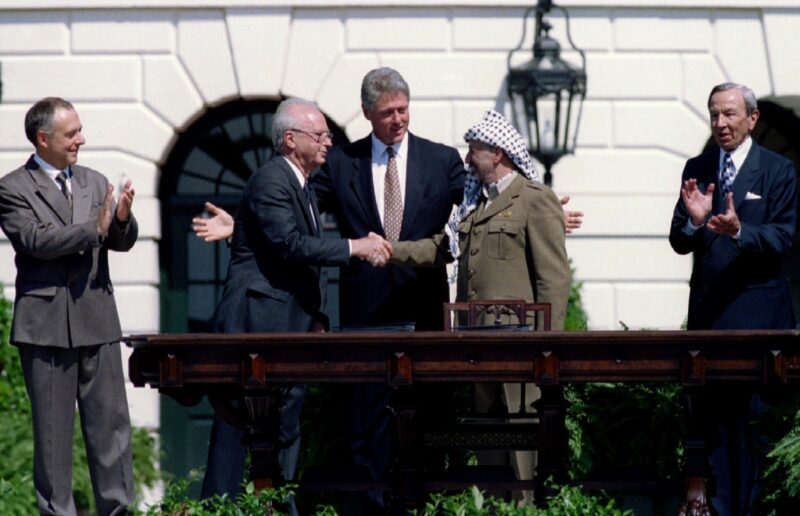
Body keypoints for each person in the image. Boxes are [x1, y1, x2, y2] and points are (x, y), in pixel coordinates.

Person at [199, 98, 391, 508]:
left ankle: (276, 504)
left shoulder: (301, 185)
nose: (328, 142)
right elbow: (290, 246)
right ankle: (220, 508)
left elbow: (299, 265)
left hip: (288, 327)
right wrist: (355, 247)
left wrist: (317, 316)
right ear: (290, 139)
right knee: (237, 431)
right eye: (320, 135)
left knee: (284, 426)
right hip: (255, 324)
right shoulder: (271, 180)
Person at [385, 109, 571, 503]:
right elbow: (442, 248)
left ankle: (528, 509)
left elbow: (553, 279)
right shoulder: (475, 205)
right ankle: (495, 508)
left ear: (497, 153)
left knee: (523, 437)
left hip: (520, 348)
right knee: (488, 437)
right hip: (476, 345)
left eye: (474, 150)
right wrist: (389, 250)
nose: (468, 159)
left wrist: (546, 346)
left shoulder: (533, 200)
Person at [0, 97, 138, 516]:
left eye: (80, 129)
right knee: (53, 439)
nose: (82, 139)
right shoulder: (12, 188)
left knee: (111, 432)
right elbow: (36, 241)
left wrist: (120, 221)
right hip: (45, 327)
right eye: (72, 133)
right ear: (44, 139)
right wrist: (91, 229)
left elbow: (120, 240)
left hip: (97, 319)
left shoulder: (95, 182)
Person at [669, 82, 797, 515]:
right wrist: (695, 222)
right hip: (710, 320)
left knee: (758, 429)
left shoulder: (778, 171)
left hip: (761, 321)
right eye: (714, 115)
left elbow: (784, 237)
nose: (721, 124)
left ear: (752, 118)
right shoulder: (697, 165)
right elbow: (678, 240)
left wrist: (739, 230)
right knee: (715, 429)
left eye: (729, 114)